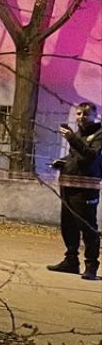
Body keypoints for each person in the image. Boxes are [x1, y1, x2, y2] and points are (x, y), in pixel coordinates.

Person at [48, 101, 102, 280]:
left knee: (87, 226)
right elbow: (75, 156)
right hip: (68, 185)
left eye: (86, 114)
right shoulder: (78, 134)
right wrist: (61, 162)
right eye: (79, 114)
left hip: (86, 188)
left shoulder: (99, 134)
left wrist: (72, 138)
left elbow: (91, 155)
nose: (81, 117)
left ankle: (91, 265)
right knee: (68, 224)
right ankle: (71, 261)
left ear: (95, 116)